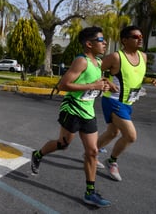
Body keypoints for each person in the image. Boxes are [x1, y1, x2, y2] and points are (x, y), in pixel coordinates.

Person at [30, 27, 113, 208]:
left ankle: (90, 193)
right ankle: (37, 154)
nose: (105, 42)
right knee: (63, 144)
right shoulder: (81, 61)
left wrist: (106, 84)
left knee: (92, 151)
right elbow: (64, 84)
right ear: (89, 44)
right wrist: (93, 85)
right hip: (73, 109)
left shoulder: (98, 62)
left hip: (88, 112)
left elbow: (95, 82)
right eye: (101, 40)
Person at [97, 25, 156, 182]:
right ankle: (112, 161)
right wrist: (105, 80)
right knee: (131, 136)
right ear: (124, 40)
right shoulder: (116, 57)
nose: (140, 39)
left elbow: (133, 75)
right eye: (135, 37)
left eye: (141, 36)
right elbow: (92, 69)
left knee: (113, 133)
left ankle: (90, 153)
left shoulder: (143, 57)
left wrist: (148, 80)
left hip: (128, 102)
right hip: (113, 100)